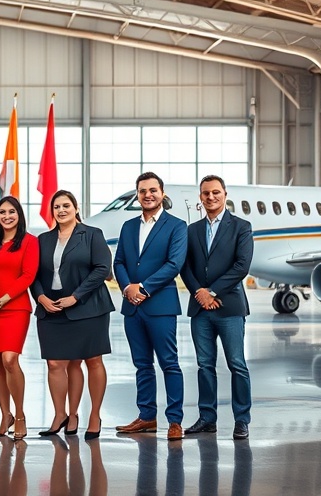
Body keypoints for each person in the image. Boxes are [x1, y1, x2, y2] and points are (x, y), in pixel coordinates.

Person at [32, 190, 114, 441]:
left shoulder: (92, 235)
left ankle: (93, 416)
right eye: (56, 206)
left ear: (76, 208)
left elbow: (102, 269)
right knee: (56, 363)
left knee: (90, 361)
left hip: (88, 306)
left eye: (66, 205)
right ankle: (63, 415)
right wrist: (41, 297)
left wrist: (76, 296)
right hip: (52, 306)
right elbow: (32, 274)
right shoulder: (43, 240)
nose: (61, 210)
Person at [113, 172, 188, 441]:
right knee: (142, 364)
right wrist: (127, 288)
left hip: (161, 305)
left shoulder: (176, 226)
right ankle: (146, 416)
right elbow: (119, 261)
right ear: (137, 194)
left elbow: (174, 264)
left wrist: (143, 288)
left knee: (169, 363)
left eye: (153, 190)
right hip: (132, 307)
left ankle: (175, 421)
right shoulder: (128, 226)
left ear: (162, 193)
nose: (148, 195)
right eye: (142, 191)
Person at [180, 175, 253, 440]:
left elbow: (241, 266)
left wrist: (212, 291)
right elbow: (185, 266)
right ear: (200, 197)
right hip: (200, 309)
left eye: (215, 193)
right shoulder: (192, 230)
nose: (211, 197)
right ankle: (207, 418)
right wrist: (199, 293)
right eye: (206, 193)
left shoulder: (241, 227)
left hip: (230, 307)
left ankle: (242, 420)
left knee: (237, 364)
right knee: (204, 365)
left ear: (225, 194)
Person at [0, 196, 39, 441]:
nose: (7, 216)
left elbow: (27, 276)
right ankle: (4, 414)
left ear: (19, 214)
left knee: (9, 359)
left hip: (15, 307)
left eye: (12, 212)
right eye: (2, 212)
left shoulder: (30, 242)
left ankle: (19, 414)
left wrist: (1, 300)